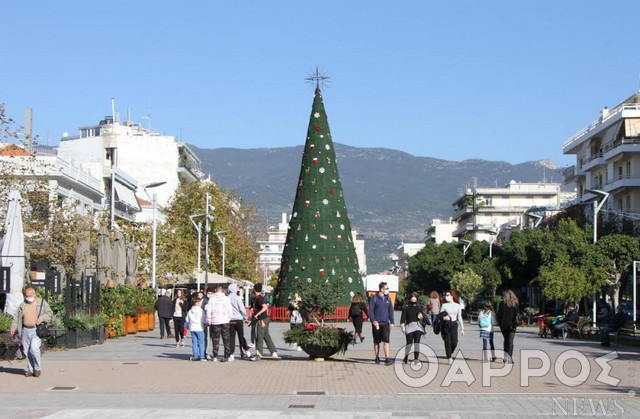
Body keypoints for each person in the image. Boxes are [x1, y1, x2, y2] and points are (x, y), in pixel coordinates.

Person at [9, 288, 53, 377]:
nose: (28, 297)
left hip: (36, 330)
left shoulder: (41, 303)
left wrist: (42, 318)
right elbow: (17, 317)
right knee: (26, 351)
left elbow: (50, 313)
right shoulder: (23, 305)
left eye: (30, 295)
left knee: (34, 348)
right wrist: (13, 327)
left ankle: (37, 368)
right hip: (25, 330)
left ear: (34, 294)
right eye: (27, 296)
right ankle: (30, 369)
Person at [249, 283, 280, 360]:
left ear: (255, 290)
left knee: (259, 336)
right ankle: (274, 352)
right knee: (266, 335)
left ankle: (259, 354)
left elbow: (265, 307)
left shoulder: (259, 298)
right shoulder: (257, 298)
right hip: (264, 318)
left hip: (261, 319)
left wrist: (258, 316)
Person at [205, 284, 233, 362]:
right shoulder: (226, 299)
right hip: (225, 320)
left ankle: (215, 356)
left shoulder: (212, 299)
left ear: (215, 290)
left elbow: (209, 310)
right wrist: (229, 318)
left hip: (215, 320)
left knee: (215, 339)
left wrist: (209, 320)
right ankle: (227, 355)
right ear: (222, 290)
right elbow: (230, 310)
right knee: (226, 338)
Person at [369, 281, 394, 365]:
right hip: (377, 324)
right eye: (386, 288)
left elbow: (390, 311)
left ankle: (387, 358)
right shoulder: (374, 298)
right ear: (382, 289)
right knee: (376, 341)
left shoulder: (388, 298)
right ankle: (377, 357)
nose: (387, 290)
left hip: (386, 323)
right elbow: (371, 311)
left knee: (386, 340)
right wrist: (373, 321)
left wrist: (392, 322)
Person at [439, 289, 465, 364]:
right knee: (447, 341)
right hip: (446, 324)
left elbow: (459, 317)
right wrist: (444, 317)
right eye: (446, 295)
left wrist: (462, 328)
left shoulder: (457, 306)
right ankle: (449, 357)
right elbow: (441, 315)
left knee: (454, 342)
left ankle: (450, 351)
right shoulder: (444, 305)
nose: (446, 297)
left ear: (452, 296)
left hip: (454, 324)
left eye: (448, 295)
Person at [227, 283, 251, 360]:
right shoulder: (237, 298)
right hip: (238, 319)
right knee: (241, 336)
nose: (238, 288)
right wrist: (245, 317)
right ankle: (246, 351)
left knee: (231, 337)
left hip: (230, 319)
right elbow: (242, 309)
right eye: (237, 287)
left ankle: (231, 354)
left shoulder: (227, 298)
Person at [400, 292, 425, 366]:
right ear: (410, 298)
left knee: (417, 343)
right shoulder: (406, 307)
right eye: (412, 297)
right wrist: (402, 326)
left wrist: (421, 316)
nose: (413, 298)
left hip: (418, 326)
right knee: (409, 344)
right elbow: (403, 318)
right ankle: (406, 357)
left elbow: (422, 317)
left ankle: (416, 359)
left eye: (415, 297)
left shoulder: (419, 307)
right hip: (409, 327)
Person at [497, 289, 519, 364]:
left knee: (506, 341)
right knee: (510, 341)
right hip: (512, 325)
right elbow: (517, 315)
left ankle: (505, 357)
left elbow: (498, 315)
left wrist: (500, 324)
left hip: (503, 325)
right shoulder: (515, 304)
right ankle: (509, 357)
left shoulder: (501, 304)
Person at [185, 297, 206, 361]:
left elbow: (187, 320)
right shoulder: (200, 311)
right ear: (197, 303)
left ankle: (195, 355)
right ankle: (202, 356)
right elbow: (204, 320)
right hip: (199, 327)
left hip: (192, 328)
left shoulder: (190, 311)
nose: (201, 303)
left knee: (194, 342)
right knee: (201, 343)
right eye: (200, 302)